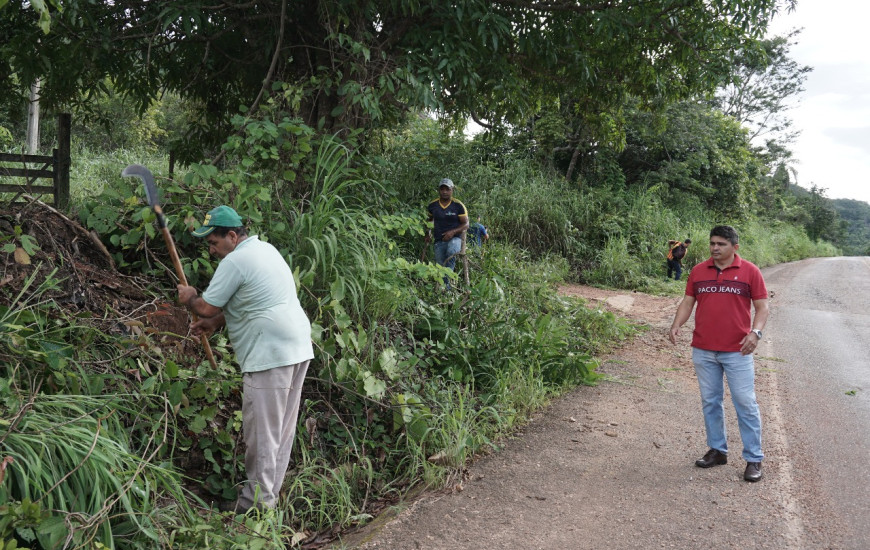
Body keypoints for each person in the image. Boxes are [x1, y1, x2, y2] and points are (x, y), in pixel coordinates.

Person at [176, 205, 314, 512]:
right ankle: (267, 501)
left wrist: (191, 297)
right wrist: (215, 323)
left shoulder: (235, 260)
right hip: (296, 347)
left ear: (233, 236)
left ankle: (256, 507)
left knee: (263, 435)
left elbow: (206, 308)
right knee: (281, 431)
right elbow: (250, 301)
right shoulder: (265, 250)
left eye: (213, 242)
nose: (211, 250)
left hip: (271, 355)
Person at [668, 225, 769, 482]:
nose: (715, 248)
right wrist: (677, 323)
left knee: (745, 403)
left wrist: (755, 333)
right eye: (712, 243)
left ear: (735, 247)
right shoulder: (699, 271)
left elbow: (762, 307)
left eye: (721, 244)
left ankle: (754, 459)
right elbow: (688, 301)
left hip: (738, 351)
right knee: (710, 401)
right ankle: (717, 450)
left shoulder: (750, 272)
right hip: (703, 349)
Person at [425, 178, 469, 286]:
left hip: (455, 238)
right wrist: (427, 233)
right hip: (439, 240)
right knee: (440, 266)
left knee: (451, 252)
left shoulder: (458, 206)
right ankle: (444, 289)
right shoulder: (433, 205)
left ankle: (447, 286)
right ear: (439, 190)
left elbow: (466, 224)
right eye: (442, 189)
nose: (444, 192)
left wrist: (452, 232)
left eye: (447, 189)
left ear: (452, 190)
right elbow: (429, 221)